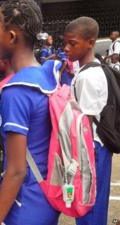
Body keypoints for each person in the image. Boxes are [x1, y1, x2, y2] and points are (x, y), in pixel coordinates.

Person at [0, 1, 59, 224]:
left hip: (26, 206)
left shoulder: (16, 91)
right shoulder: (47, 75)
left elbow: (17, 170)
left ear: (11, 37)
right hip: (47, 195)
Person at [63, 16, 111, 225]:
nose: (66, 48)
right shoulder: (91, 70)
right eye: (65, 42)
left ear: (91, 43)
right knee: (94, 204)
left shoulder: (88, 77)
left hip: (91, 150)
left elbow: (84, 125)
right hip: (96, 149)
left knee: (88, 205)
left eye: (72, 44)